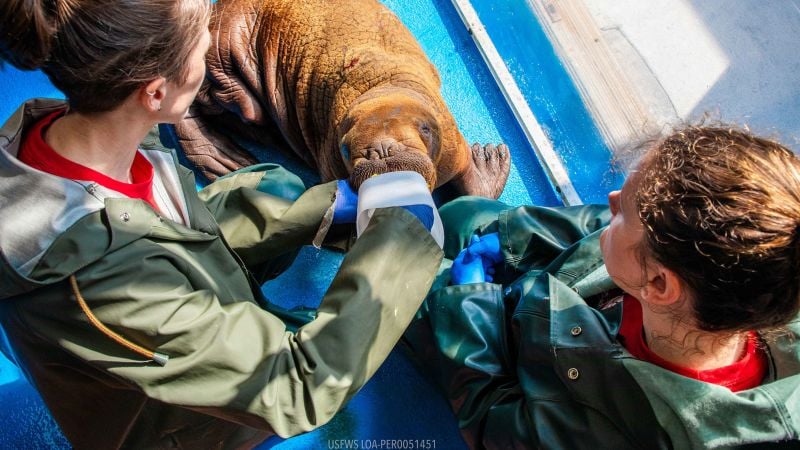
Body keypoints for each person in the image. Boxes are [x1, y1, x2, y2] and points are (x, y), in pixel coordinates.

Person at [0, 1, 443, 448]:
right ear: (155, 92)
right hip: (184, 426)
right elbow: (294, 389)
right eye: (200, 34)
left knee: (277, 188)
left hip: (154, 302)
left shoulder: (81, 127)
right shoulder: (99, 284)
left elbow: (160, 227)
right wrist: (403, 238)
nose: (211, 39)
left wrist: (325, 209)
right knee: (324, 362)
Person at [405, 126, 800, 449]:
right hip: (544, 301)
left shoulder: (607, 435)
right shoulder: (761, 273)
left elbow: (491, 415)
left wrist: (469, 302)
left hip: (507, 358)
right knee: (461, 217)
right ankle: (476, 212)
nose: (611, 199)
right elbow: (596, 225)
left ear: (659, 284)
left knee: (409, 267)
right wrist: (510, 238)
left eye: (624, 210)